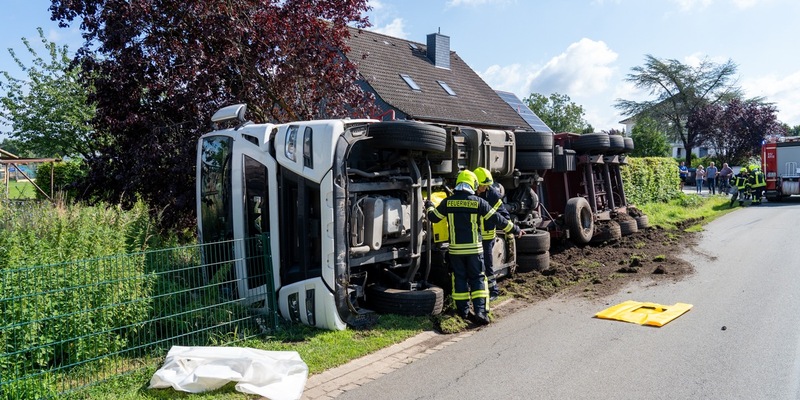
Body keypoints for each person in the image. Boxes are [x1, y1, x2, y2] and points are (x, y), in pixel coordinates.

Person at [426, 170, 523, 325]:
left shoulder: (448, 202)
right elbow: (498, 219)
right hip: (474, 250)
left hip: (456, 251)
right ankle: (480, 312)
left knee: (459, 279)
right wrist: (516, 229)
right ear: (472, 184)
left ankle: (463, 312)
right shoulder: (478, 202)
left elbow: (434, 217)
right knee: (478, 279)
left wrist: (430, 206)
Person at [473, 167, 516, 301]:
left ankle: (493, 291)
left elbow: (502, 213)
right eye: (483, 185)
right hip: (473, 237)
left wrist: (510, 229)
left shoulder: (492, 194)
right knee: (475, 265)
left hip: (487, 236)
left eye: (487, 186)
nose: (485, 188)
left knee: (487, 265)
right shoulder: (470, 193)